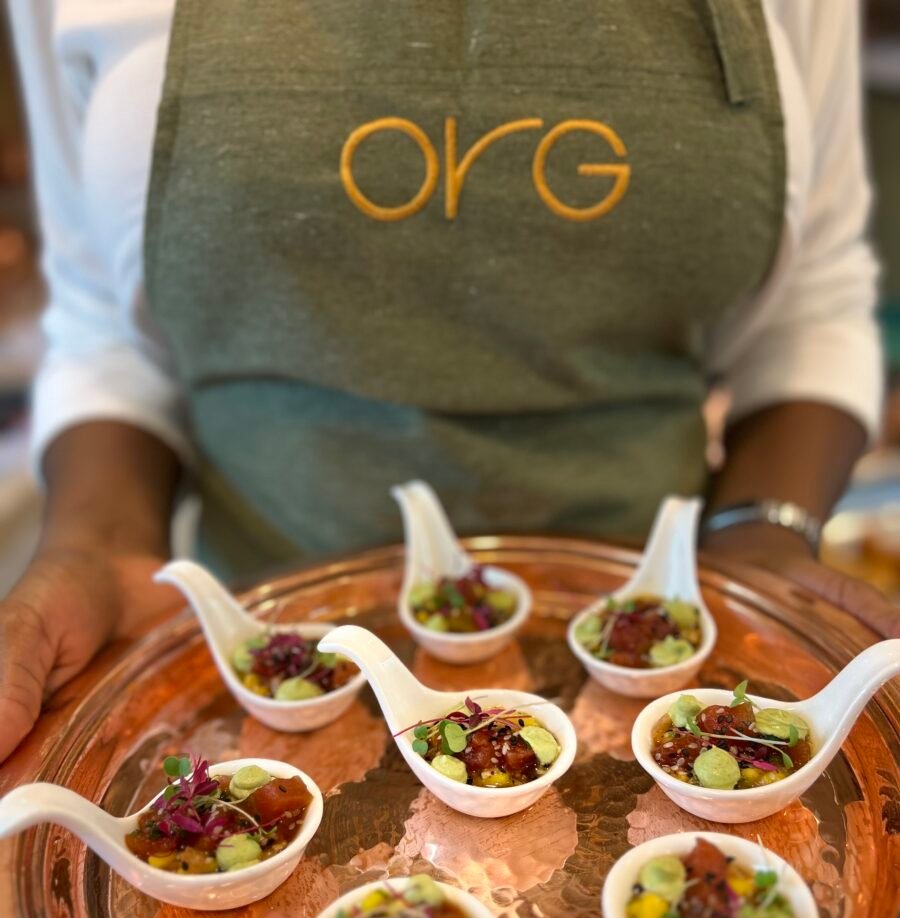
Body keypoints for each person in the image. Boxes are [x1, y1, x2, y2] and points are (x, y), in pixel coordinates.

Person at [0, 0, 896, 764]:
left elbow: (811, 302)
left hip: (682, 630)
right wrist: (99, 541)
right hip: (250, 649)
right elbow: (104, 317)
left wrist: (761, 534)